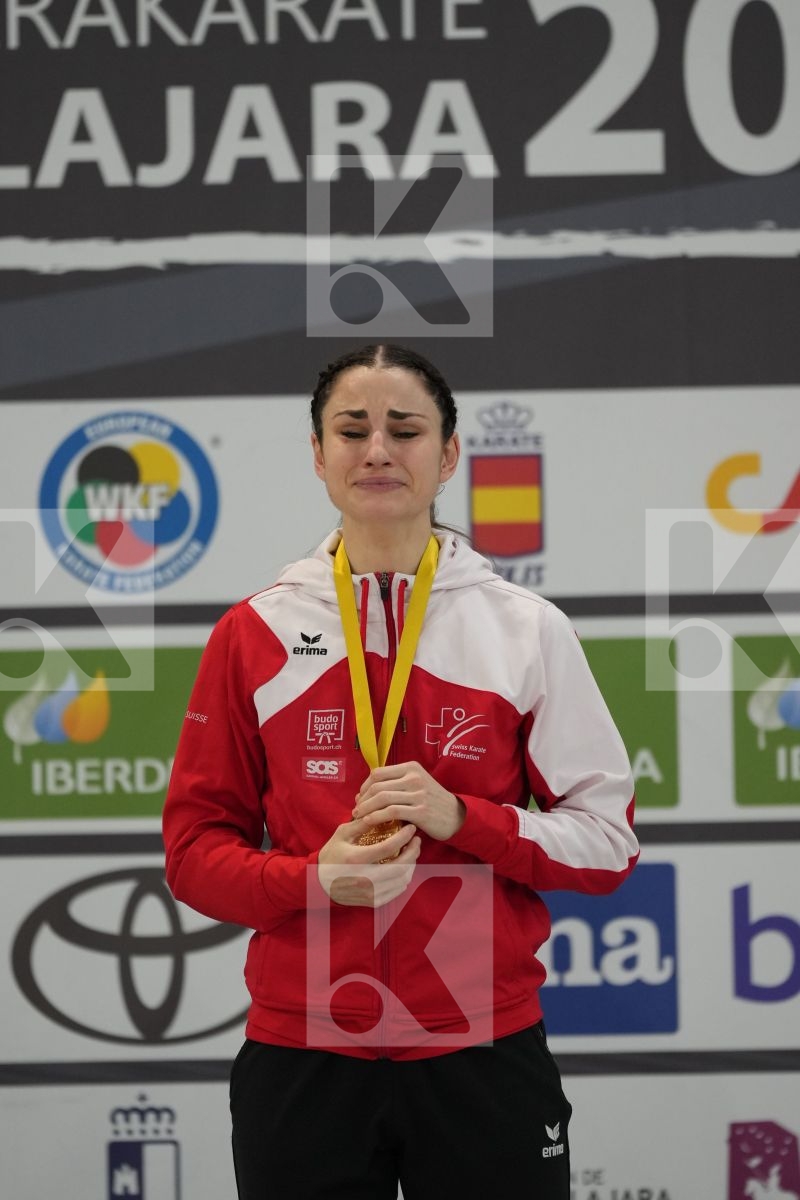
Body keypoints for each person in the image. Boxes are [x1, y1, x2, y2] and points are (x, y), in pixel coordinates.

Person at [162, 343, 639, 1200]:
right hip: (304, 1052)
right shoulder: (252, 634)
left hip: (481, 1047)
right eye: (352, 430)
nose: (377, 449)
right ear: (318, 455)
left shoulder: (525, 630)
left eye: (405, 429)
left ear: (448, 455)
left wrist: (466, 819)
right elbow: (193, 854)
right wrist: (313, 881)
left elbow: (608, 845)